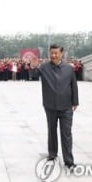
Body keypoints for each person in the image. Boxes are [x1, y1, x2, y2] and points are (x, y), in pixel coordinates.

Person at [30, 44, 79, 172]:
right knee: (52, 131)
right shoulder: (44, 67)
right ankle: (52, 155)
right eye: (51, 53)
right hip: (50, 105)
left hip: (66, 106)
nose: (53, 55)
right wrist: (33, 66)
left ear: (61, 54)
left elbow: (74, 85)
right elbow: (33, 75)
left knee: (66, 134)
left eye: (56, 53)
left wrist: (75, 101)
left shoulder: (69, 68)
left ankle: (69, 161)